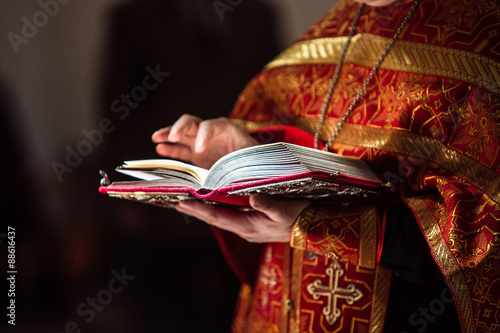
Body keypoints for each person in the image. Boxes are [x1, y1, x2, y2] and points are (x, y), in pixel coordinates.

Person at [151, 0, 500, 332]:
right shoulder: (330, 34)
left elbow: (483, 248)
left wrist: (316, 226)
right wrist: (250, 156)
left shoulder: (486, 40)